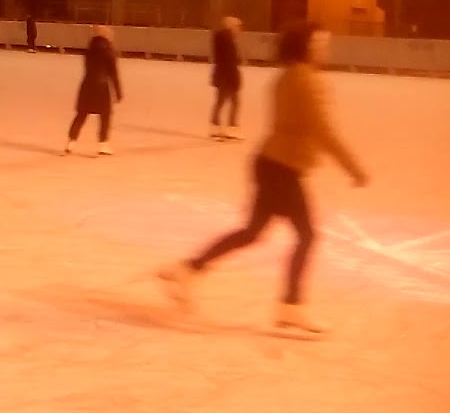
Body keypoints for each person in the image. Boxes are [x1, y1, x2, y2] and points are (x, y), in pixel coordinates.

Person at [158, 23, 368, 336]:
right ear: (305, 46)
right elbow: (322, 130)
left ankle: (186, 269)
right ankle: (291, 307)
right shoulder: (306, 81)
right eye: (320, 42)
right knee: (306, 235)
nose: (326, 48)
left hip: (271, 163)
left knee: (252, 233)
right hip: (282, 168)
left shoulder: (289, 76)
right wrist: (353, 168)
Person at [65, 25, 122, 155]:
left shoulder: (89, 49)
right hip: (102, 87)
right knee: (105, 116)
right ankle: (103, 144)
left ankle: (71, 142)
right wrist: (118, 92)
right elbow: (113, 73)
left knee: (81, 114)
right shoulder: (109, 51)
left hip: (87, 85)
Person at [211, 16, 244, 139]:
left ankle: (216, 126)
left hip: (223, 75)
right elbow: (230, 61)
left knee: (221, 101)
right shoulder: (227, 40)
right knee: (233, 102)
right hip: (227, 76)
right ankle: (230, 127)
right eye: (238, 27)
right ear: (231, 27)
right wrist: (235, 79)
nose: (240, 30)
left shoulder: (223, 39)